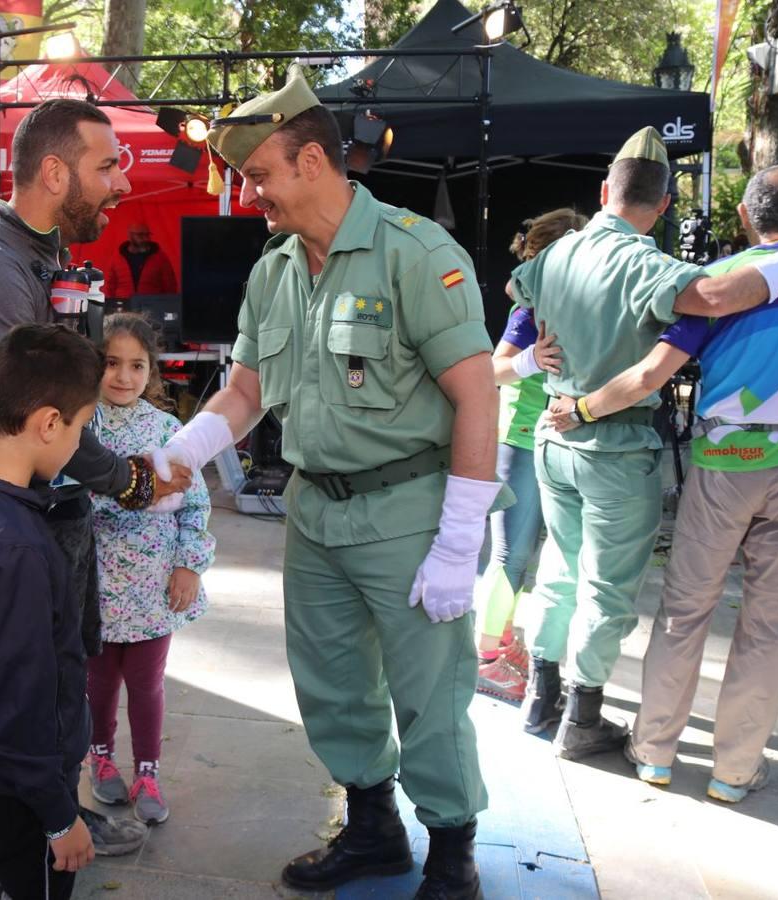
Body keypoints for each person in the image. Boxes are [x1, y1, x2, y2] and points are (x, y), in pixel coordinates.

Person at [154, 69, 504, 899]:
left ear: (312, 160)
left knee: (429, 695)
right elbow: (243, 394)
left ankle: (453, 855)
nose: (252, 195)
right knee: (334, 684)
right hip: (314, 512)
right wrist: (180, 454)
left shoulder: (416, 254)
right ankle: (375, 830)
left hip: (408, 511)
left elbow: (477, 395)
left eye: (261, 175)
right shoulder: (275, 270)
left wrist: (459, 540)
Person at [0, 98, 185, 855]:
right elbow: (48, 418)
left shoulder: (38, 261)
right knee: (20, 684)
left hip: (52, 513)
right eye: (106, 166)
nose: (121, 183)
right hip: (14, 520)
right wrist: (131, 483)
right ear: (53, 170)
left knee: (60, 675)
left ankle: (54, 811)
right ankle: (27, 828)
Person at [507, 128, 778, 760]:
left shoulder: (554, 253)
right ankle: (583, 718)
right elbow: (715, 296)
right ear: (665, 204)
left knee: (557, 567)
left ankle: (542, 695)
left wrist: (550, 355)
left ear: (603, 190)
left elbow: (518, 293)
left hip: (552, 435)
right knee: (607, 589)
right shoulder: (651, 266)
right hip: (614, 443)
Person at [0, 324, 103, 900]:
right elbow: (21, 697)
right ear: (49, 422)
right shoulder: (18, 548)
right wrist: (59, 816)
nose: (80, 443)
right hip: (25, 783)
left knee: (0, 876)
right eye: (81, 427)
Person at [85, 314, 215, 826]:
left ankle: (146, 771)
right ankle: (98, 757)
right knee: (97, 681)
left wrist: (189, 564)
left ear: (151, 372)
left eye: (136, 365)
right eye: (111, 363)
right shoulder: (80, 426)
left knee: (146, 681)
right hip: (94, 585)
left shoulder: (169, 431)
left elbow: (195, 504)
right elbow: (74, 501)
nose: (122, 376)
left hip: (153, 588)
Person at [474, 210, 584, 702]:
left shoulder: (561, 303)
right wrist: (531, 360)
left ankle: (498, 640)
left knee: (521, 554)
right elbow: (492, 370)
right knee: (509, 553)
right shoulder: (529, 309)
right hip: (518, 438)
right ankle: (485, 658)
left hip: (546, 439)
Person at [103, 223, 178, 300]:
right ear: (130, 236)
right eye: (140, 235)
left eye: (147, 235)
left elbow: (170, 286)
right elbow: (110, 286)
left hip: (152, 305)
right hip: (124, 305)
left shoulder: (160, 258)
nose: (145, 239)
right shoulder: (117, 258)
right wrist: (110, 305)